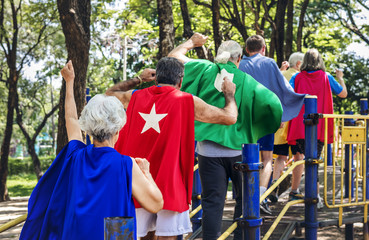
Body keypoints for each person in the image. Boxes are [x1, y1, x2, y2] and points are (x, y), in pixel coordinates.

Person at [20, 61, 163, 240]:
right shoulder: (126, 165)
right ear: (118, 129)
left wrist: (69, 81)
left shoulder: (75, 156)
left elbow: (71, 119)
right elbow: (156, 204)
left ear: (87, 129)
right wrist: (147, 173)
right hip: (113, 234)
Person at [106, 56, 239, 240]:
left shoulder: (134, 96)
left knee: (142, 235)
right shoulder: (187, 101)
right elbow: (230, 117)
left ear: (156, 77)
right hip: (171, 183)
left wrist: (138, 79)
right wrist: (229, 94)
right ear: (181, 80)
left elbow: (109, 93)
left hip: (138, 182)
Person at [168, 33, 283, 239]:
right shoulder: (248, 82)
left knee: (212, 202)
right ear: (239, 59)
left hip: (207, 151)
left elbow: (173, 58)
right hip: (241, 152)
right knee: (243, 201)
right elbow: (274, 105)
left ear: (218, 55)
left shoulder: (203, 69)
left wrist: (192, 43)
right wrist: (263, 126)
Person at [239, 35, 306, 215]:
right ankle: (261, 196)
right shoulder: (269, 63)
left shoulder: (240, 64)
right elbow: (282, 88)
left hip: (244, 118)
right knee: (267, 157)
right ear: (263, 48)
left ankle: (245, 196)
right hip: (266, 117)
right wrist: (285, 112)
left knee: (246, 157)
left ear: (246, 49)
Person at [287, 49, 347, 208]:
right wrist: (340, 78)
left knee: (298, 158)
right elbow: (343, 94)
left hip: (300, 124)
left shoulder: (297, 77)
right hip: (318, 126)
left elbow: (288, 93)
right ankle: (316, 196)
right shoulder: (327, 77)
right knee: (314, 160)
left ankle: (294, 190)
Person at [269, 52, 305, 203]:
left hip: (280, 124)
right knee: (299, 156)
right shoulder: (299, 78)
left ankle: (274, 187)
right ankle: (294, 190)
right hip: (293, 125)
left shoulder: (280, 74)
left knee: (280, 157)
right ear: (298, 64)